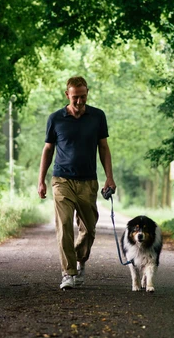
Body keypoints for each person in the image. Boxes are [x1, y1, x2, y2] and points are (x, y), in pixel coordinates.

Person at [38, 76, 116, 290]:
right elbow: (48, 150)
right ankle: (69, 272)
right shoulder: (56, 118)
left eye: (83, 96)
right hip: (61, 179)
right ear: (67, 95)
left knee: (89, 229)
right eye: (75, 98)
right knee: (64, 225)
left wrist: (109, 177)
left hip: (88, 181)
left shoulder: (97, 116)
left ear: (87, 93)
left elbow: (104, 148)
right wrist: (41, 181)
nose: (80, 101)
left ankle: (80, 260)